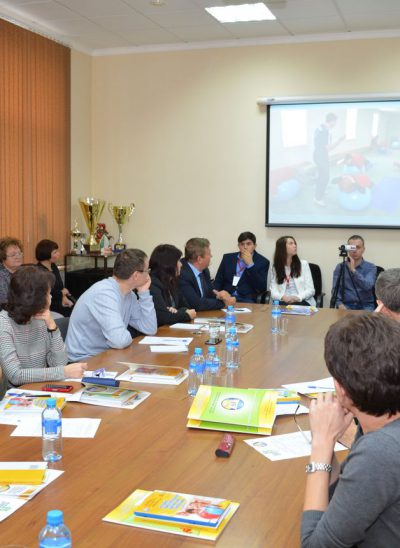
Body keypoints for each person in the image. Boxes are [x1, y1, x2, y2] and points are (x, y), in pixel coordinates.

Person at [301, 313, 400, 547]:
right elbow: (344, 498)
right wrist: (328, 440)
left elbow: (314, 545)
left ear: (341, 388)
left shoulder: (380, 451)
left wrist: (321, 444)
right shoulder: (378, 422)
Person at [0, 266, 87, 388]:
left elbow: (59, 363)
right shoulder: (4, 323)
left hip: (43, 387)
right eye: (48, 293)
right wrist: (64, 372)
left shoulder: (41, 317)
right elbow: (15, 375)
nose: (51, 297)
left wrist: (52, 327)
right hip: (18, 393)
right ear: (34, 298)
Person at [66, 248, 157, 361]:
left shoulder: (129, 294)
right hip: (84, 360)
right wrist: (124, 335)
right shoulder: (104, 294)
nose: (148, 274)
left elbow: (150, 328)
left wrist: (144, 293)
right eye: (147, 270)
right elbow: (119, 341)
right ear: (136, 275)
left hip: (107, 355)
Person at [179, 238, 236, 311]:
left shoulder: (204, 270)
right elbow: (196, 304)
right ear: (199, 259)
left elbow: (210, 293)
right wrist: (224, 303)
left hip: (202, 314)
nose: (211, 256)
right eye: (209, 254)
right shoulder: (182, 273)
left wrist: (220, 295)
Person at [214, 232, 269, 303]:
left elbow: (262, 288)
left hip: (247, 300)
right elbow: (218, 280)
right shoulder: (227, 258)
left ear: (254, 246)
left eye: (248, 244)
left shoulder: (263, 261)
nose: (245, 247)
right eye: (242, 244)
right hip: (226, 297)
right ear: (238, 246)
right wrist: (216, 293)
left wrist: (250, 265)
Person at [149, 244, 196, 326]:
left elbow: (186, 306)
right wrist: (185, 315)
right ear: (168, 264)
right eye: (178, 261)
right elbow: (163, 317)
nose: (181, 264)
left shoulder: (172, 281)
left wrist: (177, 312)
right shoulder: (152, 284)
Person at [331, 235, 377, 310]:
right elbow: (335, 290)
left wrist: (353, 270)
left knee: (366, 317)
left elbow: (367, 286)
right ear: (347, 249)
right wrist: (340, 304)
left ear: (363, 249)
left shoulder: (371, 267)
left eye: (358, 247)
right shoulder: (340, 267)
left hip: (366, 305)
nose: (354, 251)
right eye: (352, 247)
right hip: (346, 305)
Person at [270, 236, 315, 306]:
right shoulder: (276, 267)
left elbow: (311, 290)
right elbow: (273, 292)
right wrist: (282, 297)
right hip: (283, 301)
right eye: (291, 243)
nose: (295, 246)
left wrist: (297, 297)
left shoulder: (303, 264)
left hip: (301, 301)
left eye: (295, 243)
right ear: (282, 248)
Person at [36, 239, 74, 317]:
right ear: (46, 254)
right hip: (49, 305)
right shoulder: (39, 270)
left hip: (59, 299)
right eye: (55, 252)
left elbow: (61, 286)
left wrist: (64, 297)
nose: (58, 254)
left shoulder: (53, 266)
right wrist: (62, 293)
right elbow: (45, 293)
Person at [313, 112, 343, 206]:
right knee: (325, 177)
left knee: (321, 175)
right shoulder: (326, 131)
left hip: (317, 154)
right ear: (332, 121)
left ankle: (320, 191)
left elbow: (319, 143)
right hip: (321, 156)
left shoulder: (320, 127)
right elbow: (328, 148)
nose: (335, 124)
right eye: (335, 122)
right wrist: (339, 141)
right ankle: (318, 198)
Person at [0, 237, 23, 306]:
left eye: (19, 253)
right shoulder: (1, 276)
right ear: (3, 257)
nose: (18, 257)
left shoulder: (24, 272)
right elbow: (4, 303)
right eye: (13, 255)